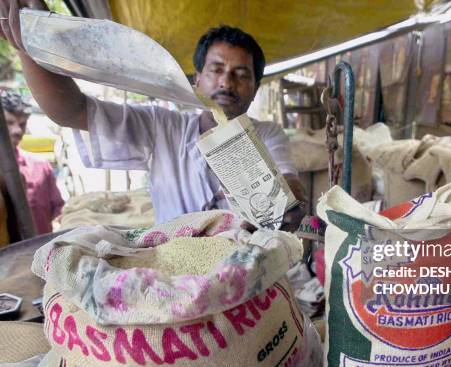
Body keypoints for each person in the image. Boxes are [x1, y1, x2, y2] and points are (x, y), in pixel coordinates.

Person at [0, 0, 306, 230]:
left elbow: (290, 187)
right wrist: (32, 47)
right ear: (196, 79)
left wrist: (288, 202)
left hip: (249, 270)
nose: (227, 82)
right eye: (216, 70)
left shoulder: (267, 134)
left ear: (254, 88)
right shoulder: (163, 128)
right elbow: (73, 111)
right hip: (178, 275)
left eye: (241, 74)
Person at [0, 90, 64, 235]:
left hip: (40, 250)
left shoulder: (41, 166)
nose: (16, 130)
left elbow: (59, 210)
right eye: (9, 123)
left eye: (22, 124)